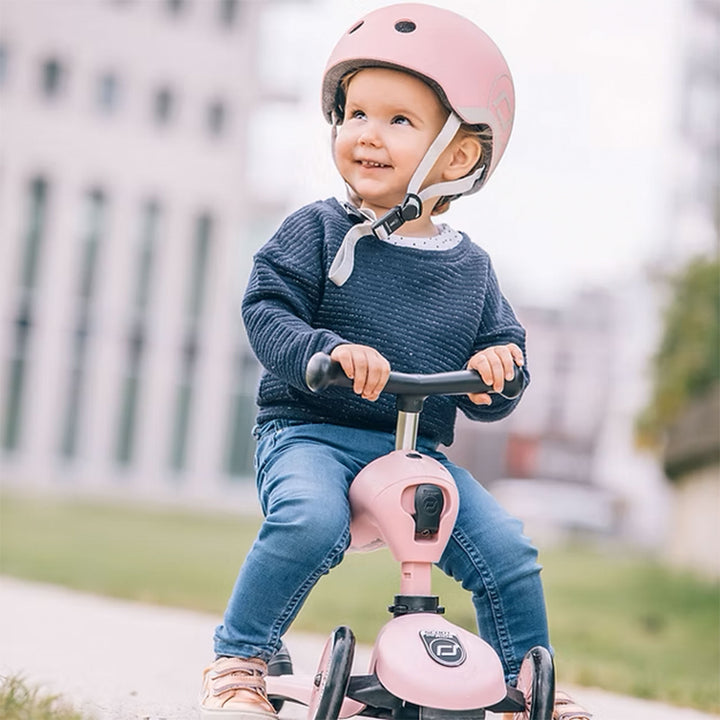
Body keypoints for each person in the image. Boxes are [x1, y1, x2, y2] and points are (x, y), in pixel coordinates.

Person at [200, 5, 591, 720]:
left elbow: (504, 372)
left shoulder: (471, 268)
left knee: (507, 549)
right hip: (309, 435)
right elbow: (266, 310)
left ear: (459, 155)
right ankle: (241, 658)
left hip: (415, 452)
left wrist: (500, 368)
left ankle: (525, 687)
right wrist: (325, 351)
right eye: (352, 113)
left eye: (398, 121)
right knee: (309, 522)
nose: (365, 134)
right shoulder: (316, 231)